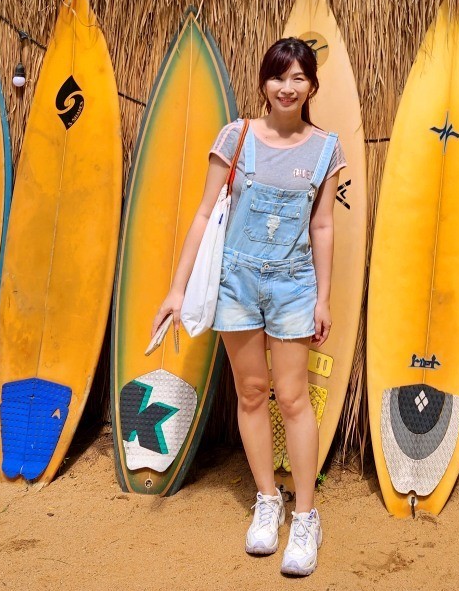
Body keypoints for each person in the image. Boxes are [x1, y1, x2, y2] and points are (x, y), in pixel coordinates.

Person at [153, 37, 344, 578]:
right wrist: (176, 289)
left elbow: (324, 226)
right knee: (252, 392)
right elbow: (202, 215)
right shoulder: (235, 137)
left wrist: (323, 297)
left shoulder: (326, 148)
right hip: (236, 283)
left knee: (293, 397)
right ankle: (267, 501)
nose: (288, 87)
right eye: (279, 77)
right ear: (263, 82)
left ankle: (305, 516)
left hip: (292, 288)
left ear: (312, 86)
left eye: (299, 78)